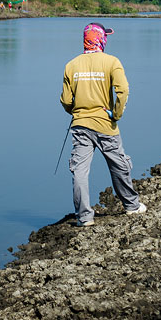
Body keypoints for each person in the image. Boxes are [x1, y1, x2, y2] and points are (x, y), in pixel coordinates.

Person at [60, 23, 146, 227]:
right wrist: (115, 114)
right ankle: (131, 206)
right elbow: (123, 90)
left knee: (79, 171)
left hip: (80, 126)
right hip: (106, 125)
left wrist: (77, 113)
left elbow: (65, 100)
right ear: (101, 39)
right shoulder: (112, 62)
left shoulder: (71, 65)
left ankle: (84, 217)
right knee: (119, 165)